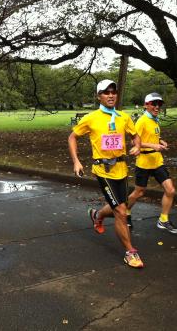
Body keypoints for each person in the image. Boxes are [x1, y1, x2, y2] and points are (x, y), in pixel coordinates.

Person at [68, 79, 144, 268]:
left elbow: (135, 136)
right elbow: (72, 137)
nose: (110, 95)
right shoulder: (91, 118)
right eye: (106, 92)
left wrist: (138, 146)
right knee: (121, 211)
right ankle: (130, 252)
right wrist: (76, 161)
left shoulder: (123, 117)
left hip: (121, 169)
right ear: (99, 96)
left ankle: (97, 215)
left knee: (119, 205)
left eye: (113, 92)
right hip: (103, 170)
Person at [127, 92, 177, 234]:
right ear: (146, 105)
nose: (157, 106)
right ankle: (126, 212)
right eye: (154, 104)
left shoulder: (155, 119)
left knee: (170, 190)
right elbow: (133, 141)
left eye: (159, 104)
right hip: (144, 162)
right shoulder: (142, 120)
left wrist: (160, 141)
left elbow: (152, 134)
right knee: (139, 192)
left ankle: (163, 219)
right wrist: (153, 145)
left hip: (157, 161)